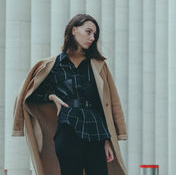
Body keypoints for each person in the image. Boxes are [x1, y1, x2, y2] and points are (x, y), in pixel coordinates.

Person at [12, 14, 128, 175]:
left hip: (96, 132)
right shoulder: (53, 65)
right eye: (88, 32)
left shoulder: (98, 66)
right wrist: (52, 97)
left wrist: (107, 140)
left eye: (95, 34)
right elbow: (30, 95)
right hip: (67, 131)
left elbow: (104, 104)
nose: (92, 37)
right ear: (74, 30)